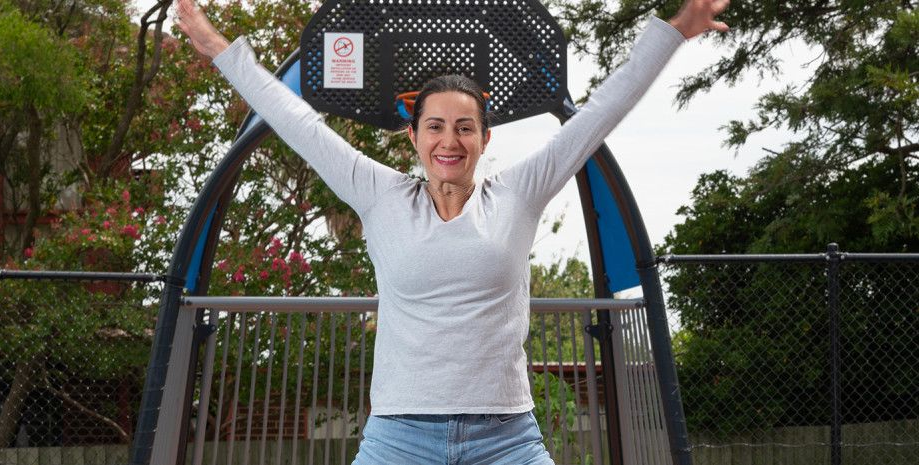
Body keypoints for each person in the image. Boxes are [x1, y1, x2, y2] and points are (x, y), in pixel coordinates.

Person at [176, 0, 729, 463]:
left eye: (465, 128)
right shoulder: (380, 195)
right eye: (436, 126)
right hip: (399, 438)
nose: (450, 140)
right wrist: (216, 46)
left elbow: (600, 112)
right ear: (414, 137)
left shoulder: (519, 193)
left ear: (484, 139)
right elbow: (293, 119)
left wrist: (676, 29)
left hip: (506, 438)